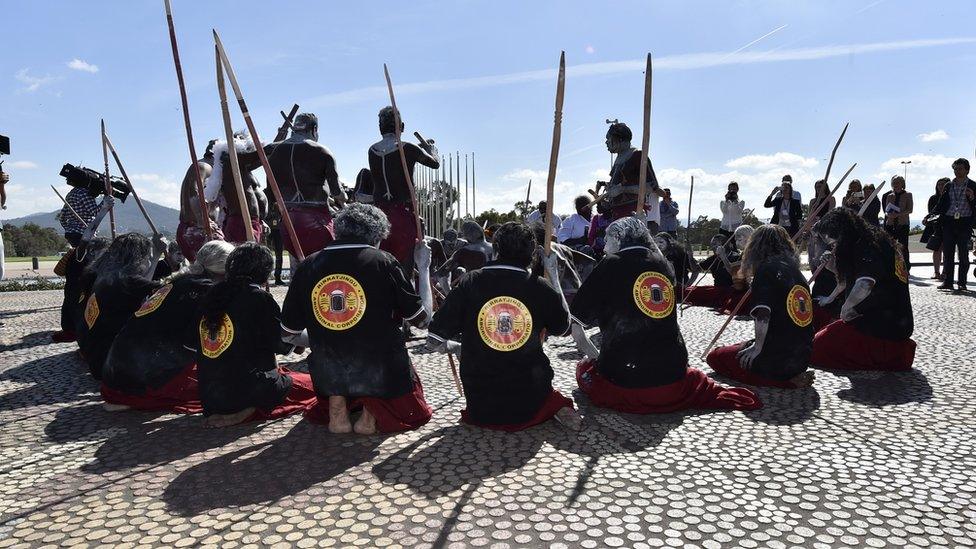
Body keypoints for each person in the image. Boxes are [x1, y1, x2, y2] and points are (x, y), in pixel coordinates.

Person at [571, 217, 760, 412]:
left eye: (608, 240)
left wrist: (595, 358)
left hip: (628, 373)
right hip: (673, 369)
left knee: (584, 370)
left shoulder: (611, 263)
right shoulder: (662, 264)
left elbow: (575, 322)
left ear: (619, 239)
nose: (604, 247)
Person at [281, 204, 434, 434]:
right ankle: (370, 412)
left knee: (335, 349)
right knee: (382, 345)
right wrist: (424, 269)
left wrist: (320, 338)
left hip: (328, 369)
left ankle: (337, 407)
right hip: (377, 369)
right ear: (378, 236)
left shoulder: (309, 264)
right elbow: (422, 320)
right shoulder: (384, 261)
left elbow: (288, 332)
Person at [426, 222, 581, 431]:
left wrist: (457, 348)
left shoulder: (470, 282)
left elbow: (434, 338)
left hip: (481, 403)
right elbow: (564, 328)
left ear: (495, 249)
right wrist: (552, 274)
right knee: (552, 394)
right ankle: (555, 407)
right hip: (530, 399)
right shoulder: (539, 286)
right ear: (532, 254)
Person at [186, 242, 316, 427]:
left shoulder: (210, 295)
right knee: (311, 385)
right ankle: (249, 411)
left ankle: (235, 410)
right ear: (264, 272)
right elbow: (283, 343)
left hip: (210, 396)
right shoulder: (258, 297)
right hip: (248, 391)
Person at [100, 240, 235, 413]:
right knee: (231, 385)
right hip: (141, 379)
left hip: (116, 372)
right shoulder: (204, 290)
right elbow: (194, 343)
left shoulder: (182, 281)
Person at [706, 225, 815, 388]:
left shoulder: (766, 270)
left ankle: (783, 382)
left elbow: (763, 313)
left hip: (778, 360)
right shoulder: (795, 271)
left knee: (715, 357)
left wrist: (757, 348)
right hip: (802, 357)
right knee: (739, 346)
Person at [810, 209, 916, 371]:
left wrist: (846, 308)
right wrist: (833, 270)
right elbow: (850, 280)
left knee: (818, 347)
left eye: (834, 243)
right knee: (822, 325)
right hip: (883, 321)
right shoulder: (870, 239)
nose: (834, 248)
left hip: (883, 328)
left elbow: (865, 283)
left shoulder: (867, 246)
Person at [78, 229, 174, 379]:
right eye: (146, 258)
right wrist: (156, 255)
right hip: (110, 364)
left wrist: (155, 255)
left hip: (93, 355)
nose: (148, 262)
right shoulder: (125, 282)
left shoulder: (99, 274)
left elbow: (142, 284)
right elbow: (161, 288)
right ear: (137, 259)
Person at [368, 107, 440, 277]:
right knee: (404, 270)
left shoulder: (372, 150)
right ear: (402, 126)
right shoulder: (407, 148)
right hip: (404, 215)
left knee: (382, 267)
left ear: (380, 127)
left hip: (379, 215)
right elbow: (434, 164)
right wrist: (432, 151)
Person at [261, 113, 345, 259]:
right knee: (323, 270)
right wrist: (344, 199)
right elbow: (337, 192)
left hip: (288, 222)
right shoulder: (321, 151)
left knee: (300, 270)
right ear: (314, 129)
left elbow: (270, 191)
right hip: (317, 221)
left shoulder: (274, 152)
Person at [204, 133, 266, 244]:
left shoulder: (241, 168)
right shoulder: (231, 159)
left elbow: (262, 158)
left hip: (246, 221)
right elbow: (262, 154)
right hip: (242, 222)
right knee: (246, 258)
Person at [601, 122, 664, 226]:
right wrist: (609, 198)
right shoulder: (618, 159)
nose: (606, 142)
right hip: (617, 216)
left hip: (634, 215)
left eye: (609, 139)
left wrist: (622, 189)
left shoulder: (638, 156)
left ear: (619, 139)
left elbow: (650, 187)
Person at [683, 225, 753, 311]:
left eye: (715, 244)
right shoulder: (714, 258)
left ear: (725, 244)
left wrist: (724, 257)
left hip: (729, 290)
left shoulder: (736, 256)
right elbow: (695, 269)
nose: (713, 247)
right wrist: (690, 254)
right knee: (688, 290)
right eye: (712, 245)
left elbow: (735, 274)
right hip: (717, 289)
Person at [176, 139, 222, 262]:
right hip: (196, 229)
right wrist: (202, 219)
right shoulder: (204, 167)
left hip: (196, 228)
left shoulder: (208, 169)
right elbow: (193, 190)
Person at [937, 158, 976, 292]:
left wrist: (972, 198)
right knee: (948, 255)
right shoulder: (949, 185)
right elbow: (941, 204)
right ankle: (948, 282)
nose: (957, 171)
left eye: (960, 168)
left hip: (965, 223)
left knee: (963, 255)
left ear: (966, 170)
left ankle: (962, 283)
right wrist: (930, 216)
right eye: (955, 169)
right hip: (949, 222)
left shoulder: (973, 185)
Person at [882, 176, 914, 273]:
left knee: (903, 247)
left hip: (902, 224)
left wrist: (898, 214)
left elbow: (910, 210)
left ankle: (905, 268)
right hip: (890, 224)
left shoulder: (908, 195)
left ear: (902, 184)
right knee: (890, 247)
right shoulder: (889, 196)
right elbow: (886, 211)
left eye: (898, 182)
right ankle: (890, 267)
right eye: (894, 182)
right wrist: (889, 215)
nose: (895, 184)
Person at [921, 178, 949, 280]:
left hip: (948, 226)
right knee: (936, 249)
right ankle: (936, 272)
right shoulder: (933, 198)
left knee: (947, 250)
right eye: (939, 184)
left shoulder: (951, 197)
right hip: (936, 227)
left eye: (943, 184)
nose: (941, 186)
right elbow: (932, 211)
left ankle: (945, 272)